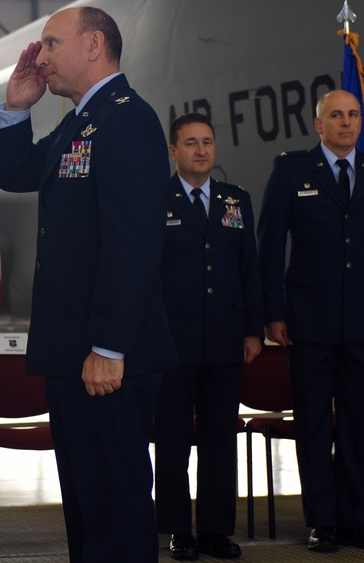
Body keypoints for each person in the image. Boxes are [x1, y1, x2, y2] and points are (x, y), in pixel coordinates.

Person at [0, 6, 175, 563]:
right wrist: (17, 110)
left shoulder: (127, 120)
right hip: (75, 351)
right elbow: (19, 175)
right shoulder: (81, 123)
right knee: (88, 508)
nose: (39, 56)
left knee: (115, 509)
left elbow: (134, 243)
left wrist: (109, 347)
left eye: (50, 43)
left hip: (105, 356)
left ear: (93, 46)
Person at [256, 89, 364, 553]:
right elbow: (269, 248)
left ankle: (353, 520)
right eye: (336, 116)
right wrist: (272, 312)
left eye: (353, 115)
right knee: (312, 424)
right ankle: (321, 521)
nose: (346, 123)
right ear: (318, 123)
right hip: (308, 322)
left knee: (358, 424)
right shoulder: (291, 170)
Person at [154, 113, 263, 560]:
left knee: (221, 438)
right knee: (173, 439)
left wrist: (253, 329)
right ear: (173, 150)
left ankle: (217, 530)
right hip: (172, 343)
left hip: (223, 339)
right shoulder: (156, 199)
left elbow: (248, 269)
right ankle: (179, 529)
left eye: (208, 142)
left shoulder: (235, 201)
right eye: (191, 143)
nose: (201, 150)